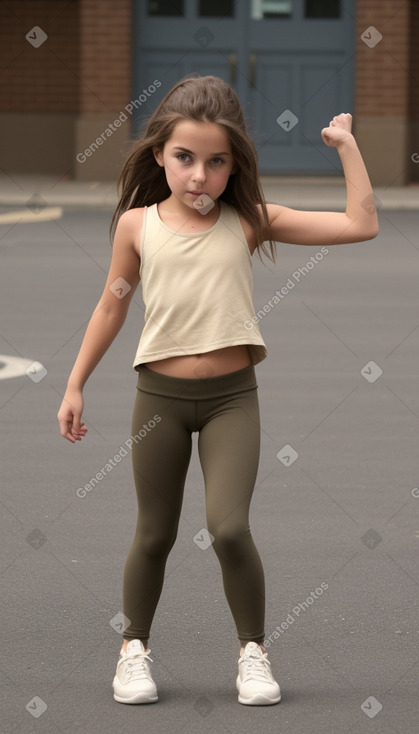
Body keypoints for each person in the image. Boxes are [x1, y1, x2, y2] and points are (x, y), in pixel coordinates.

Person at [57, 74, 378, 707]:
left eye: (216, 161)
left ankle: (253, 652)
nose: (199, 175)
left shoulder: (251, 220)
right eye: (184, 158)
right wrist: (75, 384)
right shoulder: (136, 226)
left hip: (234, 397)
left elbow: (360, 224)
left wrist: (345, 145)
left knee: (229, 528)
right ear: (159, 156)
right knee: (155, 533)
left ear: (235, 165)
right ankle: (133, 652)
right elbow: (111, 308)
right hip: (160, 402)